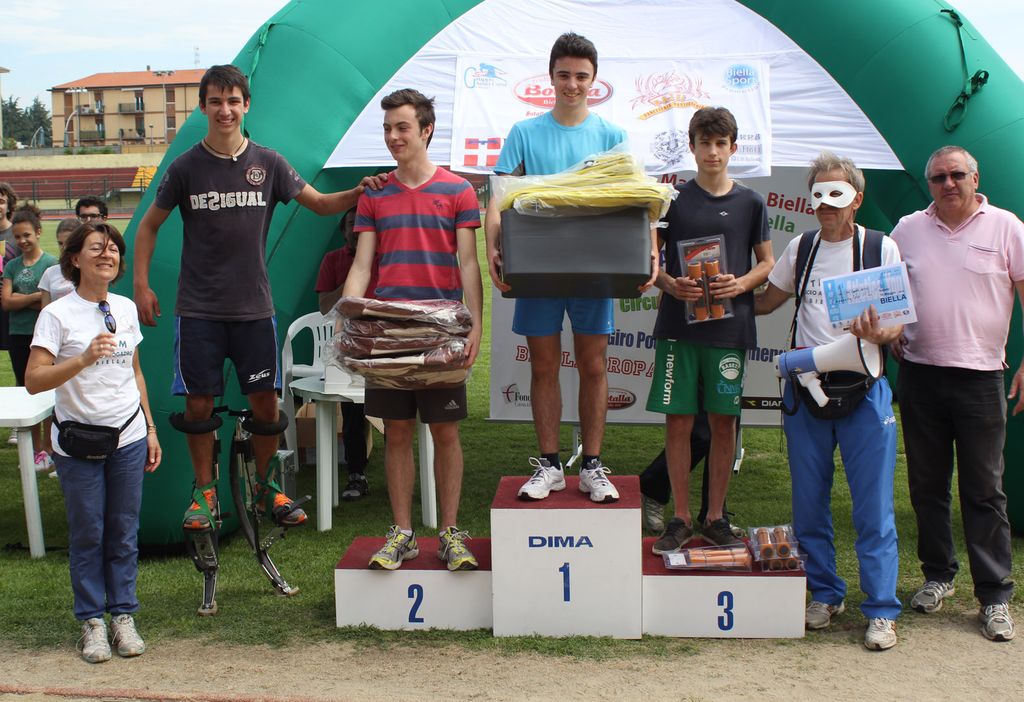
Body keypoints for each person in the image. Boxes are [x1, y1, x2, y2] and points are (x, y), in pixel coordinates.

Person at [133, 64, 381, 533]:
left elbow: (320, 203)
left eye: (233, 101)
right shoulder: (185, 167)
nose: (224, 110)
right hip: (199, 311)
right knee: (198, 406)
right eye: (215, 101)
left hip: (253, 310)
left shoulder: (268, 162)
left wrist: (357, 190)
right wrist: (142, 285)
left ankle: (266, 487)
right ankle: (204, 493)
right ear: (203, 107)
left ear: (246, 105)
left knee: (266, 404)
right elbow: (148, 227)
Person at [485, 32, 657, 504]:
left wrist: (651, 249)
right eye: (564, 75)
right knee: (543, 365)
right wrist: (493, 245)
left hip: (594, 268)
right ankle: (550, 465)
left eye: (582, 76)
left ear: (594, 80)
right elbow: (498, 195)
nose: (573, 84)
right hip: (537, 267)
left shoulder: (612, 136)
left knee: (593, 365)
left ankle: (593, 466)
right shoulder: (525, 132)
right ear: (551, 77)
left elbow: (637, 201)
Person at [755, 151, 903, 650]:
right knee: (808, 503)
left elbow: (898, 323)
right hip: (807, 392)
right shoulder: (801, 247)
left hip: (864, 391)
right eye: (818, 193)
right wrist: (716, 290)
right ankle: (824, 592)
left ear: (857, 199)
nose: (826, 204)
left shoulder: (881, 247)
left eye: (836, 194)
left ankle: (881, 609)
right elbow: (767, 300)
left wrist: (880, 333)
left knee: (873, 507)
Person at [344, 88, 483, 571]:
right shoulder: (374, 194)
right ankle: (402, 533)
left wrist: (475, 326)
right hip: (388, 336)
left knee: (445, 432)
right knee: (397, 434)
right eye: (387, 128)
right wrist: (350, 314)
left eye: (402, 127)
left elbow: (469, 264)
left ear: (427, 130)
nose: (393, 137)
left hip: (441, 334)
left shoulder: (459, 191)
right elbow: (363, 265)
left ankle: (449, 532)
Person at [891, 145, 1022, 642]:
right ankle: (938, 575)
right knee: (926, 486)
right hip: (920, 374)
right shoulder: (907, 229)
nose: (948, 184)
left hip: (981, 377)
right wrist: (892, 327)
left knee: (984, 489)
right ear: (929, 184)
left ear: (975, 177)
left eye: (957, 175)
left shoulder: (1007, 227)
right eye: (938, 178)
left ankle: (994, 595)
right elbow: (886, 288)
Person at [25, 221, 162, 664]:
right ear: (74, 259)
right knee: (88, 533)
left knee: (123, 531)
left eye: (114, 249)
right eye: (97, 248)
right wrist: (83, 359)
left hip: (129, 436)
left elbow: (134, 372)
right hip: (78, 441)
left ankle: (123, 615)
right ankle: (92, 622)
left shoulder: (124, 308)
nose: (108, 255)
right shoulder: (57, 315)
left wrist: (150, 428)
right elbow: (34, 380)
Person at [646, 107, 773, 550]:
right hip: (679, 329)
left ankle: (715, 516)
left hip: (728, 331)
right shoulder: (672, 200)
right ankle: (680, 518)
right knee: (679, 422)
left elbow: (767, 263)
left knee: (723, 424)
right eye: (705, 143)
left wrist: (740, 284)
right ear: (692, 146)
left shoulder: (751, 202)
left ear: (733, 148)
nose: (713, 152)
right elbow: (650, 260)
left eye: (721, 143)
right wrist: (669, 284)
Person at [315, 208, 378, 500]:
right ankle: (356, 474)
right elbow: (324, 307)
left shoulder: (385, 257)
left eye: (361, 225)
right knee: (351, 408)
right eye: (352, 224)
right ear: (343, 231)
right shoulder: (332, 260)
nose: (356, 230)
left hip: (386, 340)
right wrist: (352, 280)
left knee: (398, 408)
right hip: (350, 342)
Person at [2, 203, 59, 469]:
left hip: (44, 337)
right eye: (17, 236)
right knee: (27, 390)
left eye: (26, 235)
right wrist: (36, 296)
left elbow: (52, 304)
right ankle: (36, 449)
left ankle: (49, 446)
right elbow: (6, 302)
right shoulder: (12, 265)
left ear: (38, 232)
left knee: (46, 390)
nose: (22, 241)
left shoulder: (51, 264)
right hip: (18, 333)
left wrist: (20, 298)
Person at [39, 218, 79, 306]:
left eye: (68, 243)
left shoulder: (89, 272)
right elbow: (45, 309)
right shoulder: (50, 273)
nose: (64, 248)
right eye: (60, 243)